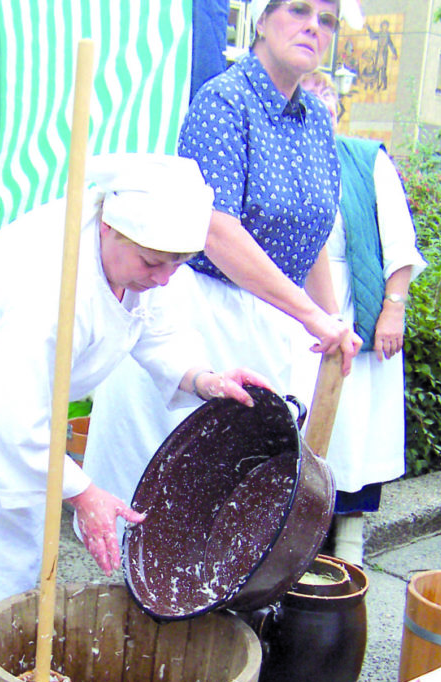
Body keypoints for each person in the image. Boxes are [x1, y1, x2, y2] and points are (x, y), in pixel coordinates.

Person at [0, 153, 271, 654]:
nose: (164, 278)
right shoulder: (53, 287)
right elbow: (15, 420)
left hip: (20, 394)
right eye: (153, 264)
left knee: (14, 536)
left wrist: (206, 379)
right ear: (109, 231)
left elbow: (156, 332)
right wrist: (84, 492)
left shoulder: (143, 258)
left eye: (178, 265)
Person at [80, 0, 361, 526]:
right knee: (171, 484)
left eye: (327, 20)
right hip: (201, 312)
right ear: (261, 18)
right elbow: (216, 230)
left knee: (238, 491)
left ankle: (218, 607)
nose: (312, 27)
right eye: (299, 10)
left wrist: (330, 321)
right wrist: (311, 315)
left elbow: (314, 230)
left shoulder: (318, 120)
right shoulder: (224, 101)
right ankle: (140, 598)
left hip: (275, 322)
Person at [297, 70, 426, 564]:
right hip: (292, 304)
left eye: (322, 116)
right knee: (297, 419)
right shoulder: (281, 162)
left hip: (353, 304)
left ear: (335, 118)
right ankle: (293, 533)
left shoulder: (365, 160)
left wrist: (393, 308)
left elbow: (399, 244)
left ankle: (348, 535)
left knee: (354, 424)